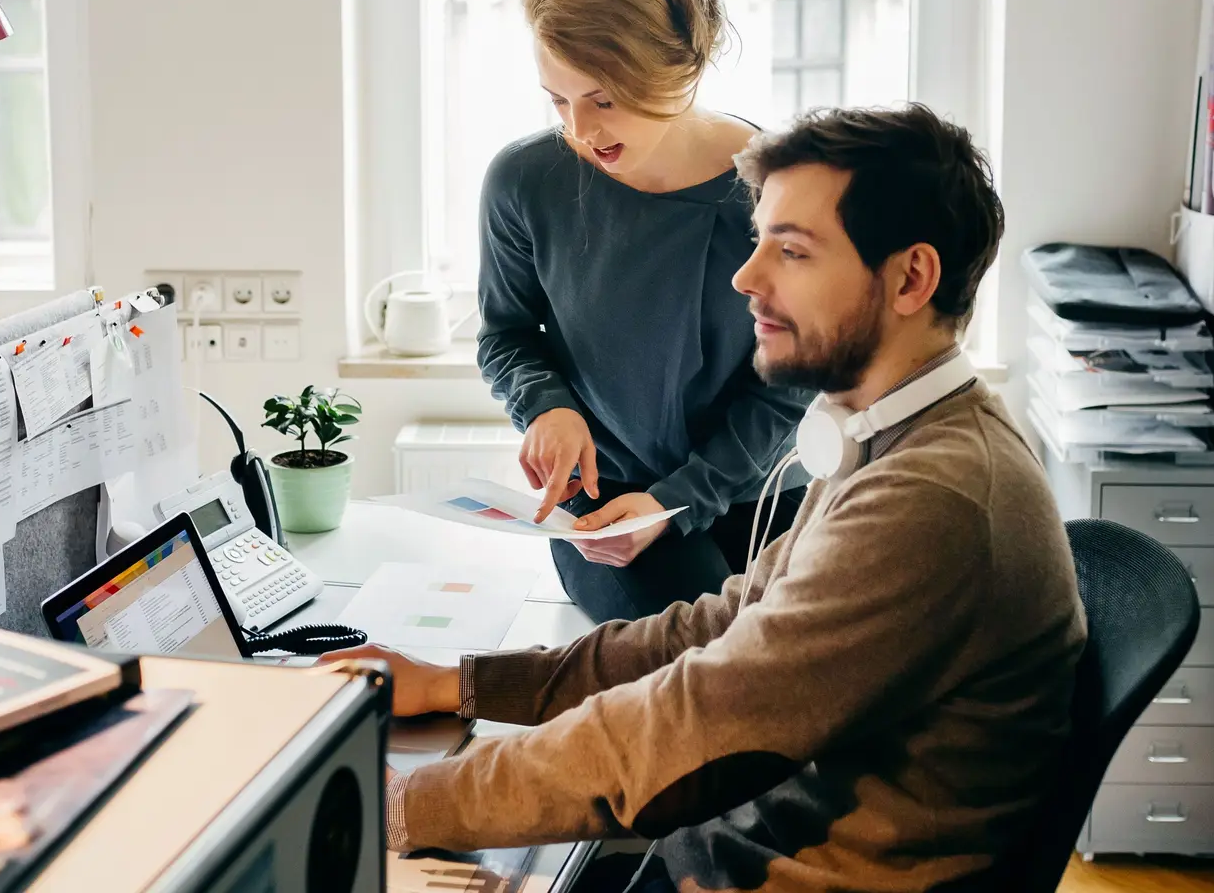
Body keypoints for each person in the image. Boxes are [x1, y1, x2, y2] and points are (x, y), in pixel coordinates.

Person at [335, 105, 1087, 893]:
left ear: (910, 278)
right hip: (737, 855)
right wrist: (464, 684)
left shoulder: (934, 498)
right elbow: (714, 630)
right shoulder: (887, 436)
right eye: (759, 238)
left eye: (791, 250)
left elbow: (689, 729)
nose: (746, 277)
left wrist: (398, 807)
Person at [478, 0, 811, 624]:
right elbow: (506, 333)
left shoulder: (781, 188)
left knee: (802, 667)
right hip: (609, 505)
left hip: (757, 486)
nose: (580, 129)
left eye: (602, 100)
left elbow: (790, 384)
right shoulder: (523, 181)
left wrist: (681, 496)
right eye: (558, 101)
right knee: (698, 660)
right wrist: (546, 406)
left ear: (677, 71)